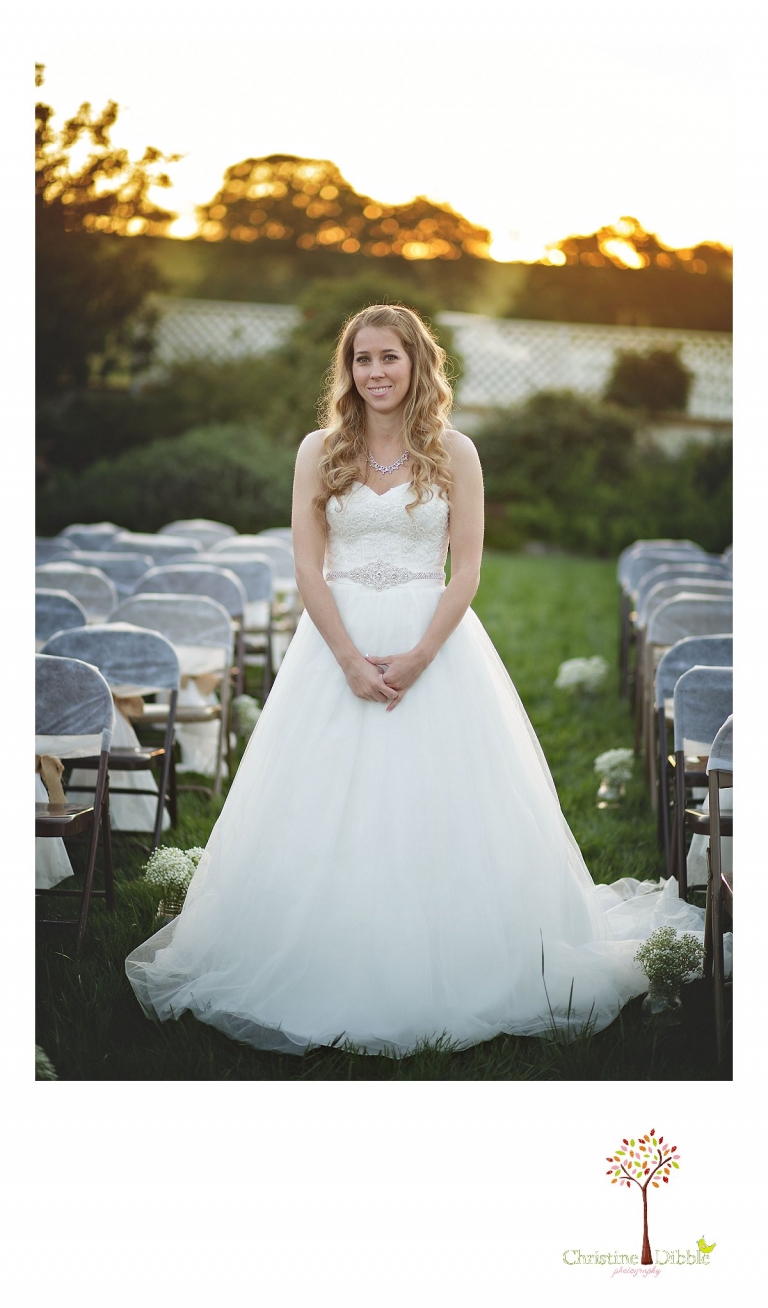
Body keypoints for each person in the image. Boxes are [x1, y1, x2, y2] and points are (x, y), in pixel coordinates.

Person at [126, 304, 713, 1058]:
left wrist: (418, 655)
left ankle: (456, 953)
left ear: (417, 365)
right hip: (333, 644)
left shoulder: (454, 452)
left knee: (442, 802)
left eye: (389, 358)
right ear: (348, 370)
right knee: (319, 803)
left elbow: (465, 568)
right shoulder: (318, 450)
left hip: (432, 642)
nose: (375, 373)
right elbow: (307, 565)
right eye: (362, 359)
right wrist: (345, 657)